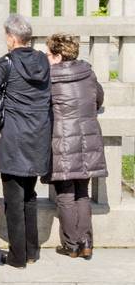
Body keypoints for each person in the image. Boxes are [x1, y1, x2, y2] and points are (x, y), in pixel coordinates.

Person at [0, 13, 51, 267]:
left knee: (14, 198)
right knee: (30, 196)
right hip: (38, 137)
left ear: (11, 38)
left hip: (13, 138)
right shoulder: (43, 61)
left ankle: (17, 257)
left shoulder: (6, 63)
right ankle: (31, 251)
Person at [46, 32, 104, 260]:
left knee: (65, 194)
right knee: (82, 192)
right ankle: (87, 242)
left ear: (59, 56)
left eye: (49, 54)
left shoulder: (50, 77)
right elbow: (98, 98)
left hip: (62, 140)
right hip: (88, 139)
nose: (47, 58)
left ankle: (71, 245)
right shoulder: (88, 73)